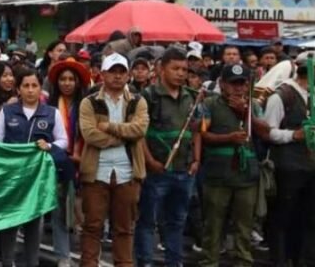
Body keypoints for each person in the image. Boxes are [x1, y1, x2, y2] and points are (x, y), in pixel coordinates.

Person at [0, 68, 68, 267]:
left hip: (37, 180)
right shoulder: (7, 112)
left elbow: (63, 141)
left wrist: (49, 146)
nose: (30, 90)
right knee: (9, 222)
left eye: (34, 85)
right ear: (18, 89)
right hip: (12, 178)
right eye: (25, 85)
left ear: (40, 88)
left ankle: (32, 263)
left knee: (35, 223)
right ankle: (7, 262)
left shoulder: (52, 113)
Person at [78, 54, 148, 267]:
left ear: (128, 75)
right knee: (92, 227)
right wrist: (124, 137)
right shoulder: (89, 102)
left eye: (121, 72)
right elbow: (90, 135)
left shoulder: (138, 101)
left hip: (128, 173)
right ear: (103, 74)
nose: (117, 76)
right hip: (96, 172)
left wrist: (109, 128)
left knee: (125, 228)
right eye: (112, 71)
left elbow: (140, 129)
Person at [198, 63, 269, 267]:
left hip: (246, 176)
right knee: (213, 226)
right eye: (233, 84)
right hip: (218, 175)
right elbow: (202, 133)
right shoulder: (210, 104)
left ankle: (243, 262)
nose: (237, 88)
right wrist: (227, 138)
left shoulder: (254, 106)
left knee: (244, 227)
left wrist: (246, 112)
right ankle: (209, 262)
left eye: (242, 84)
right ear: (222, 84)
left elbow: (265, 131)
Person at [135, 46, 200, 267]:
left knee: (177, 221)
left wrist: (196, 160)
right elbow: (139, 133)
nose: (181, 73)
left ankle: (175, 262)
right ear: (162, 69)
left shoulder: (191, 97)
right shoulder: (148, 96)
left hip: (184, 170)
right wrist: (150, 161)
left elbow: (196, 130)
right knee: (147, 221)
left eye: (184, 69)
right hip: (157, 171)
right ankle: (145, 262)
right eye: (176, 68)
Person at [263, 51, 315, 265]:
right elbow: (268, 132)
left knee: (309, 217)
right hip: (288, 167)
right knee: (283, 217)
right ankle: (281, 259)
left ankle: (303, 258)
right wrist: (294, 135)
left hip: (310, 167)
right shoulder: (281, 95)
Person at [47, 57, 91, 267]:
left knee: (85, 214)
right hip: (58, 164)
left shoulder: (87, 106)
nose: (66, 83)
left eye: (71, 79)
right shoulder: (48, 106)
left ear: (78, 82)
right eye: (62, 79)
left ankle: (87, 255)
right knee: (59, 211)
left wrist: (81, 156)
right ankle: (63, 256)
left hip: (84, 163)